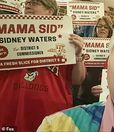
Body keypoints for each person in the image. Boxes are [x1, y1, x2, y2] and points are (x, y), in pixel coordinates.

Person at [0, 0, 86, 131]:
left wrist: (78, 55)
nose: (28, 5)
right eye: (27, 3)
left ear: (50, 11)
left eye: (35, 2)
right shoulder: (6, 32)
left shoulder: (66, 37)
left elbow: (77, 80)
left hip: (50, 112)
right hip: (12, 110)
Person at [74, 16, 113, 105]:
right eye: (100, 26)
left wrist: (106, 88)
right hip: (84, 95)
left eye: (106, 27)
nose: (102, 28)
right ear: (95, 29)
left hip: (104, 97)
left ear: (110, 30)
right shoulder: (85, 46)